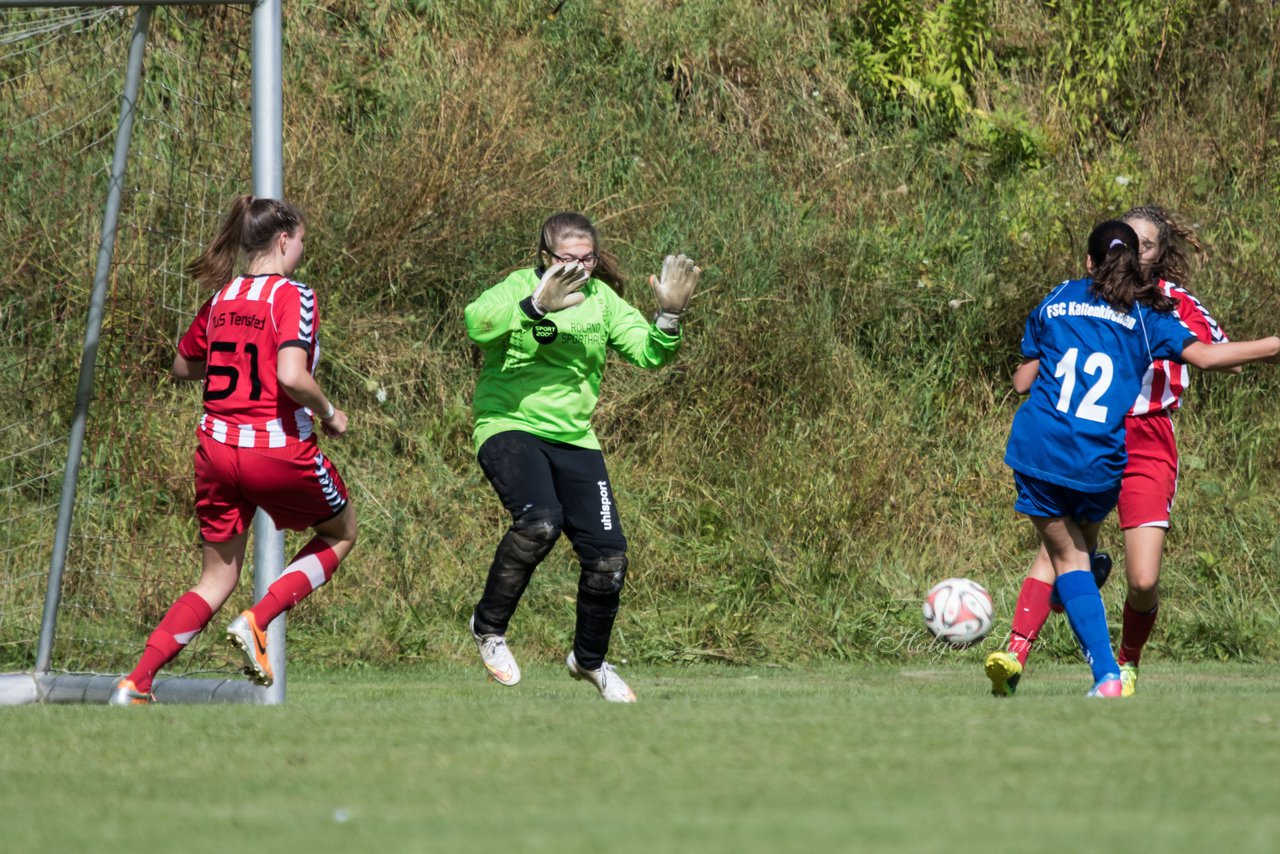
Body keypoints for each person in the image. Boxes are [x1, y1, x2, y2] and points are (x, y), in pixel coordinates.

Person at [992, 220, 1278, 698]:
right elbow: (1207, 358)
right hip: (1101, 448)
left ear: (1092, 260)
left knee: (1087, 561)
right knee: (1071, 553)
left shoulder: (1062, 296)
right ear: (1129, 256)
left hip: (1065, 444)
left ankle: (1111, 664)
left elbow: (1023, 381)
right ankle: (1028, 651)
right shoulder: (1145, 318)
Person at [109, 195, 357, 705]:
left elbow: (182, 366)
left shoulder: (222, 298)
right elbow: (292, 376)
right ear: (284, 241)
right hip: (275, 448)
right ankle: (259, 621)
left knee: (216, 577)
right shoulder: (294, 295)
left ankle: (136, 683)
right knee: (341, 532)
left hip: (216, 450)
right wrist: (330, 413)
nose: (302, 252)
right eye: (302, 243)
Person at [463, 211, 699, 703]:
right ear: (544, 257)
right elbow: (476, 324)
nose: (578, 269)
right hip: (508, 425)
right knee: (539, 523)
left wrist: (670, 316)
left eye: (586, 259)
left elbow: (649, 353)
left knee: (609, 558)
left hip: (574, 439)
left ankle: (589, 661)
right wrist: (533, 306)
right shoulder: (515, 287)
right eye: (567, 259)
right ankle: (489, 628)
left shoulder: (603, 303)